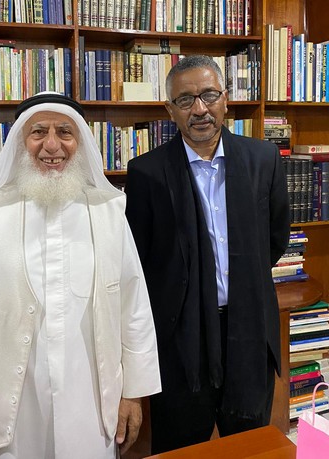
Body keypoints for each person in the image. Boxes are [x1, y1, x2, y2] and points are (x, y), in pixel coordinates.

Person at [0, 92, 161, 459]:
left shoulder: (109, 212)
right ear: (20, 141)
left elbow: (133, 309)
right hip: (8, 416)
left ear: (80, 141)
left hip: (93, 410)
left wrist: (133, 394)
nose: (52, 145)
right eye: (38, 132)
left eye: (65, 132)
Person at [125, 55, 290, 454]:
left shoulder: (263, 159)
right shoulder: (146, 172)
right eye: (186, 100)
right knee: (181, 446)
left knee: (249, 444)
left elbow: (275, 239)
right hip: (180, 338)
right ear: (170, 110)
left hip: (249, 328)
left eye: (209, 95)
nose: (199, 109)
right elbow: (140, 259)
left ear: (225, 99)